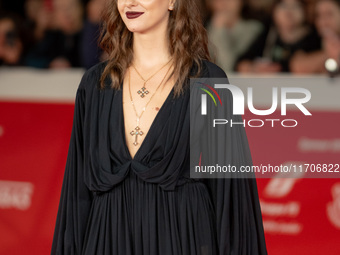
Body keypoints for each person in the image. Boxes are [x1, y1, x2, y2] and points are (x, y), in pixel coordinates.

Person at [51, 0, 267, 254]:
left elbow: (230, 194)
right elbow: (77, 192)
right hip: (107, 239)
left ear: (173, 2)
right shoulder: (94, 84)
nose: (130, 2)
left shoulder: (208, 80)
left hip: (182, 238)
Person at [235, 0, 321, 73]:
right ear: (274, 10)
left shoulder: (314, 37)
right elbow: (241, 63)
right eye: (283, 6)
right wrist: (255, 68)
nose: (288, 12)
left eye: (295, 6)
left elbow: (300, 67)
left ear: (304, 11)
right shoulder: (269, 34)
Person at [206, 0, 263, 72]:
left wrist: (219, 30)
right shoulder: (202, 30)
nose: (224, 3)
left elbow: (229, 68)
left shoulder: (253, 29)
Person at [290, 0, 340, 73]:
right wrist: (328, 53)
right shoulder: (312, 38)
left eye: (329, 14)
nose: (323, 21)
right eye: (318, 15)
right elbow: (297, 67)